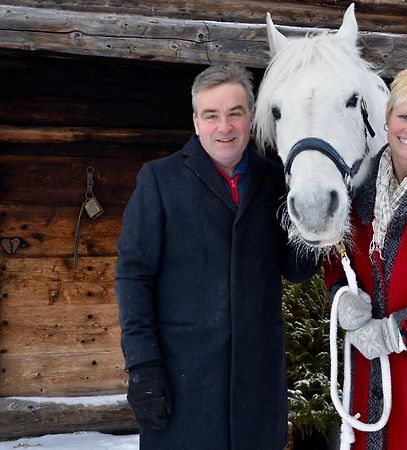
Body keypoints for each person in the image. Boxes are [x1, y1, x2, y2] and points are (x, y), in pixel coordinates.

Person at [115, 63, 318, 450]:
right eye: (212, 115)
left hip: (258, 392)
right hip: (183, 386)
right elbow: (133, 277)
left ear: (251, 117)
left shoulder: (277, 180)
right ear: (196, 122)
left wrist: (310, 210)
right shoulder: (159, 180)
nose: (224, 127)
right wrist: (142, 366)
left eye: (234, 113)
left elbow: (298, 270)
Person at [324, 56, 407, 450]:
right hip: (368, 380)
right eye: (404, 116)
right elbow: (337, 260)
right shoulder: (360, 189)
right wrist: (343, 298)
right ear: (387, 117)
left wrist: (402, 330)